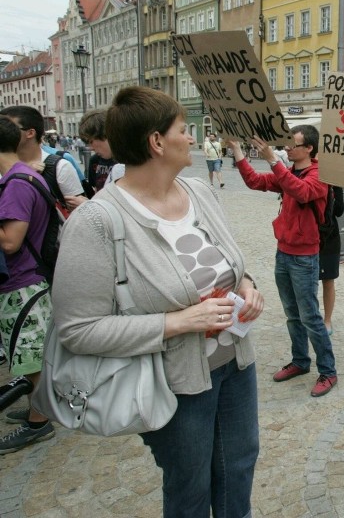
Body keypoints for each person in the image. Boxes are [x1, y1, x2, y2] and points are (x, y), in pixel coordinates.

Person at [50, 86, 264, 516]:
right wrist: (180, 321)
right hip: (175, 383)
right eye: (184, 130)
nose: (191, 139)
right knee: (190, 488)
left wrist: (246, 285)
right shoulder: (96, 221)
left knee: (239, 470)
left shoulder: (198, 191)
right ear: (157, 142)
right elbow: (77, 330)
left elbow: (227, 263)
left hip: (235, 366)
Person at [227, 125, 338, 397]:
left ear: (309, 148)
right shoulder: (288, 172)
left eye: (293, 144)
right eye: (287, 144)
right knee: (292, 315)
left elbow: (301, 192)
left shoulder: (320, 174)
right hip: (283, 252)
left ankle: (328, 371)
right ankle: (300, 361)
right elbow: (254, 181)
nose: (287, 148)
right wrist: (238, 150)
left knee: (310, 317)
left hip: (305, 257)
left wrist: (273, 159)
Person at [0, 115, 55, 454]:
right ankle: (37, 408)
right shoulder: (23, 174)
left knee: (30, 357)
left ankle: (39, 421)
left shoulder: (17, 182)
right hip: (28, 279)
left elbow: (10, 241)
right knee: (29, 355)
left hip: (23, 281)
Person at [0, 106, 87, 212]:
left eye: (9, 127)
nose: (3, 132)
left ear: (30, 133)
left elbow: (79, 212)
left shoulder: (60, 166)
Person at [320, 185, 344, 334]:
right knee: (306, 281)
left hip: (329, 236)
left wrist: (330, 196)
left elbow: (340, 210)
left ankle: (327, 320)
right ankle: (309, 317)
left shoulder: (334, 181)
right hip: (308, 235)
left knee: (328, 280)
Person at [79, 109, 121, 191]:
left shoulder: (128, 162)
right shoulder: (94, 160)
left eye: (91, 141)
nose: (91, 148)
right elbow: (94, 189)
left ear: (105, 135)